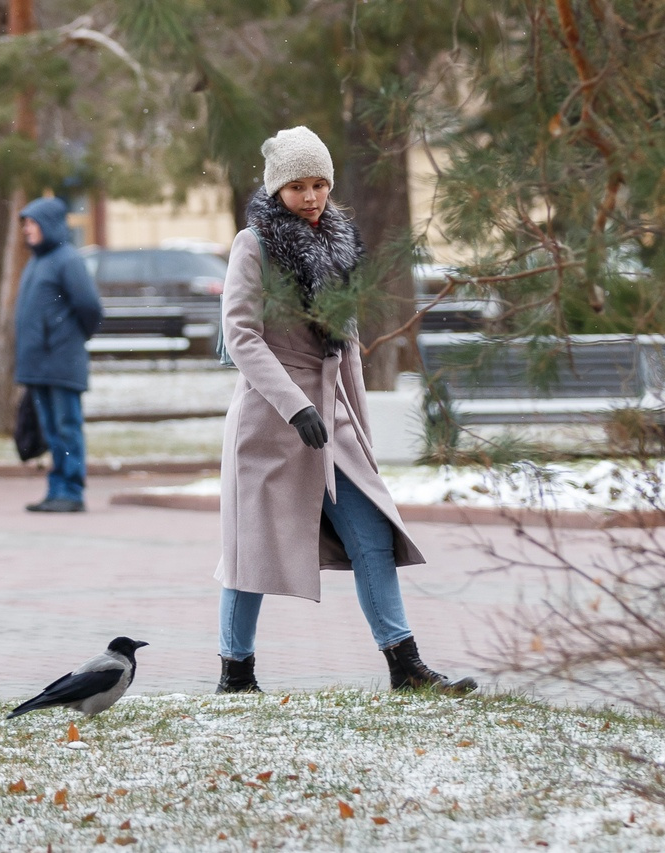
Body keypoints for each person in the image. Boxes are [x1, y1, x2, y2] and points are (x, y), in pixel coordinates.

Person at [214, 126, 476, 696]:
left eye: (319, 184)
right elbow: (241, 337)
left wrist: (356, 425)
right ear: (276, 189)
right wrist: (293, 405)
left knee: (372, 534)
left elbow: (348, 346)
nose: (310, 197)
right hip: (271, 420)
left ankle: (405, 666)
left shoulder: (339, 244)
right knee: (251, 547)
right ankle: (236, 674)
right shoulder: (252, 245)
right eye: (297, 187)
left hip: (334, 420)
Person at [13, 196, 103, 513]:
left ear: (48, 225)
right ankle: (57, 490)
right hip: (38, 365)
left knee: (66, 428)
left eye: (32, 223)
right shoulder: (37, 262)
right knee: (51, 432)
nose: (26, 229)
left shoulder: (67, 260)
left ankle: (72, 491)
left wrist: (68, 338)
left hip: (61, 362)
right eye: (25, 223)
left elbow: (90, 308)